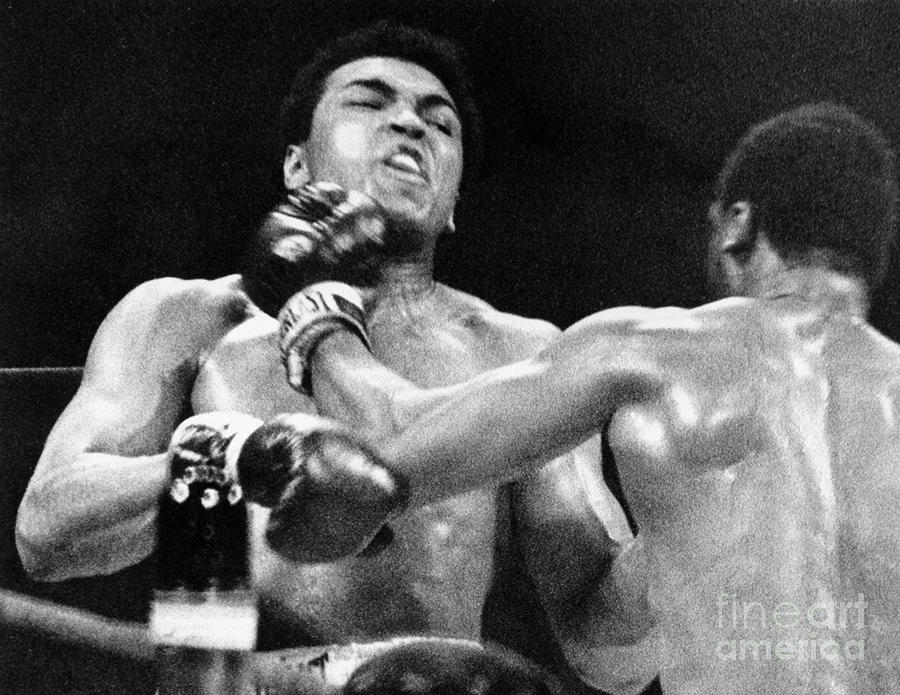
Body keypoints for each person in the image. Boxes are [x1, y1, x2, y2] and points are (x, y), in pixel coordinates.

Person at [15, 20, 630, 692]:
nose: (410, 124)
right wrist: (229, 456)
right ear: (297, 167)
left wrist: (687, 544)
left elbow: (605, 646)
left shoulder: (519, 351)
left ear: (453, 203)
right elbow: (46, 529)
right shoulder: (187, 319)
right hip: (230, 681)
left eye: (440, 122)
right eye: (370, 102)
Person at [280, 102, 900, 694]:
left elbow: (378, 467)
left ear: (736, 224)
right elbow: (610, 662)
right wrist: (673, 551)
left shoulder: (649, 351)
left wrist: (317, 312)